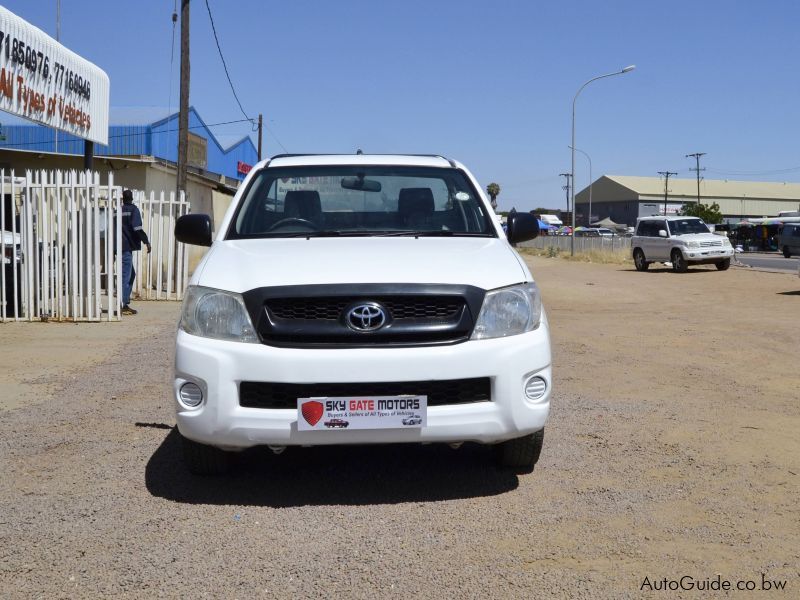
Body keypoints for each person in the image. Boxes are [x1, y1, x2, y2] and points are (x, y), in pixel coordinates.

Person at [120, 189, 151, 315]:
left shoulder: (118, 210)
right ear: (131, 198)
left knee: (130, 274)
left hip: (118, 245)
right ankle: (122, 305)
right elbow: (137, 227)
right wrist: (146, 241)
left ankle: (125, 301)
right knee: (126, 276)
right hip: (126, 246)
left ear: (123, 198)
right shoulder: (133, 210)